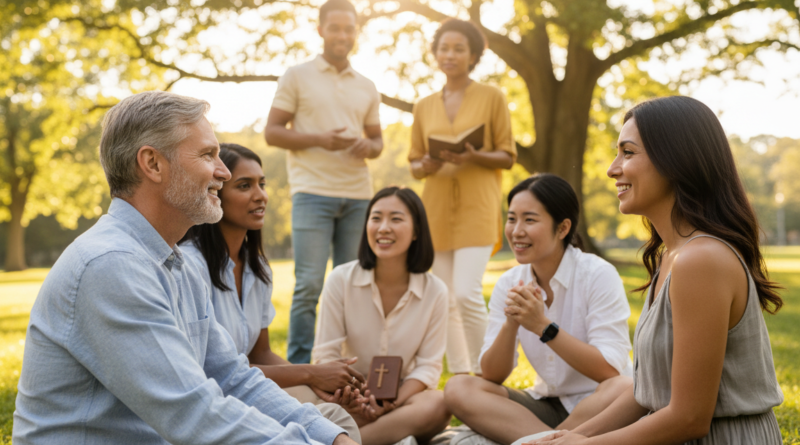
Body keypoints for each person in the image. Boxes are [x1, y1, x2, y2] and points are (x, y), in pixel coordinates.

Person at [12, 91, 357, 445]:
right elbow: (193, 414)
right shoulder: (110, 265)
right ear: (153, 164)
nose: (222, 172)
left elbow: (234, 379)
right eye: (208, 155)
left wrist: (330, 438)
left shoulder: (179, 265)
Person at [530, 96, 784, 444]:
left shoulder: (701, 260)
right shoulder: (673, 256)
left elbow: (689, 417)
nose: (612, 168)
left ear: (675, 161)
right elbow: (646, 392)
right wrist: (568, 436)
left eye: (628, 152)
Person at [180, 143, 363, 443]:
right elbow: (211, 370)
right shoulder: (191, 266)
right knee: (330, 418)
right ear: (216, 192)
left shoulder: (258, 268)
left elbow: (260, 352)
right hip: (216, 399)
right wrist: (311, 374)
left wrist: (319, 380)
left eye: (261, 184)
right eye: (244, 185)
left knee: (332, 409)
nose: (260, 195)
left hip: (252, 387)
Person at [443, 174, 634, 445]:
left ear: (562, 228)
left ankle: (540, 440)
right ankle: (551, 441)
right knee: (459, 387)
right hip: (544, 405)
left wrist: (543, 327)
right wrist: (512, 323)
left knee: (627, 387)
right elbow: (492, 376)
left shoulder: (598, 275)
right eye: (511, 219)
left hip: (599, 403)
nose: (516, 231)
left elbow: (609, 371)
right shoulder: (510, 283)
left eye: (529, 220)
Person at [265, 0, 384, 365]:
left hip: (358, 197)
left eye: (349, 29)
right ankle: (301, 370)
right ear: (321, 30)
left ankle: (352, 367)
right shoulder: (297, 76)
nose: (342, 35)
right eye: (335, 28)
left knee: (356, 287)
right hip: (312, 193)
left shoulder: (367, 86)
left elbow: (378, 143)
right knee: (309, 286)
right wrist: (320, 139)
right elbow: (272, 132)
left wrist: (369, 145)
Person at [408, 18, 516, 375]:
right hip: (435, 208)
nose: (449, 55)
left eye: (458, 49)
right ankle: (460, 375)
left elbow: (507, 155)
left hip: (477, 207)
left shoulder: (492, 97)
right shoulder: (423, 106)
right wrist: (425, 163)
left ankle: (489, 370)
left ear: (473, 56)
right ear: (435, 54)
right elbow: (414, 162)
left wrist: (472, 156)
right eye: (443, 48)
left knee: (466, 292)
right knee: (444, 298)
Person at [312, 187, 451, 445]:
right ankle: (384, 436)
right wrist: (355, 400)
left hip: (401, 398)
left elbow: (428, 366)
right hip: (345, 396)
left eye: (396, 219)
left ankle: (345, 441)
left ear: (417, 231)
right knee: (300, 400)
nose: (383, 227)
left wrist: (390, 401)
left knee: (439, 403)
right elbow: (326, 354)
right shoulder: (340, 280)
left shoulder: (435, 291)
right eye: (376, 218)